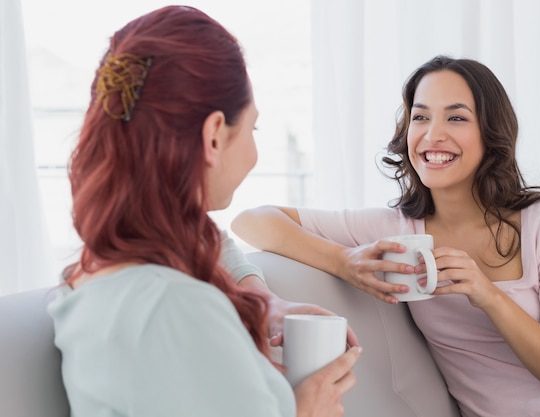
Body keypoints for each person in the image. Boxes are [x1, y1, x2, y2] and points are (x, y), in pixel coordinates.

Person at [232, 55, 540, 416]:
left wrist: (486, 294)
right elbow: (252, 221)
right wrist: (344, 261)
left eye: (456, 118)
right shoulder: (396, 229)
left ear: (490, 133)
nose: (432, 135)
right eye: (420, 118)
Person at [46, 5, 361, 417]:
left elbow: (203, 237)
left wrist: (265, 303)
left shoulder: (96, 275)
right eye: (253, 129)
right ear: (213, 135)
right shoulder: (177, 308)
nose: (253, 152)